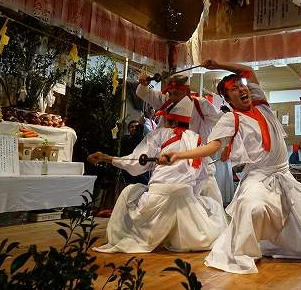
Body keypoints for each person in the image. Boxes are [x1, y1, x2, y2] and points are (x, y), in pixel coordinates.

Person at [159, 60, 301, 274]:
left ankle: (270, 244)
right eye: (234, 89)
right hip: (258, 177)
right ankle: (243, 252)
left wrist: (216, 64)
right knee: (252, 206)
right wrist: (179, 154)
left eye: (242, 86)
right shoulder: (231, 119)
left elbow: (247, 70)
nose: (242, 89)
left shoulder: (262, 105)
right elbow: (211, 146)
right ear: (227, 98)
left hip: (283, 176)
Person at [87, 101, 226, 254]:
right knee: (211, 207)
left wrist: (107, 158)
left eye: (163, 120)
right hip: (185, 201)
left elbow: (135, 162)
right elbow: (202, 176)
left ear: (171, 121)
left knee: (130, 192)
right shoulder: (197, 140)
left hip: (156, 199)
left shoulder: (160, 134)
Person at [137, 73, 227, 204]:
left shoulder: (200, 104)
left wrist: (225, 145)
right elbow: (144, 93)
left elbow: (221, 122)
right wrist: (144, 83)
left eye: (177, 93)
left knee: (204, 193)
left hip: (195, 154)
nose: (173, 97)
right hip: (169, 154)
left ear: (187, 92)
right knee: (163, 193)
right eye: (171, 93)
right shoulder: (166, 100)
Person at [119, 120, 149, 185]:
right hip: (129, 169)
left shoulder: (144, 140)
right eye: (132, 127)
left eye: (136, 127)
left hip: (142, 169)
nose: (134, 128)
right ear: (128, 129)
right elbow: (134, 142)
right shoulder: (125, 139)